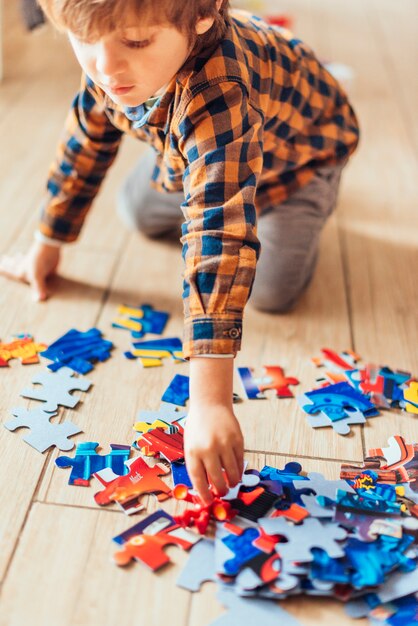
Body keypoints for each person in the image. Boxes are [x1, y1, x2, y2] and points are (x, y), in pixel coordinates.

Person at [0, 0, 359, 503]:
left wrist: (209, 401)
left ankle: (321, 189)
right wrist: (48, 242)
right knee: (139, 212)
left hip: (295, 163)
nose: (106, 67)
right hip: (201, 148)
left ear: (204, 16)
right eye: (85, 42)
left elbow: (220, 232)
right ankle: (192, 167)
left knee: (273, 291)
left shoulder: (222, 90)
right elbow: (84, 144)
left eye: (137, 41)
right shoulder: (111, 65)